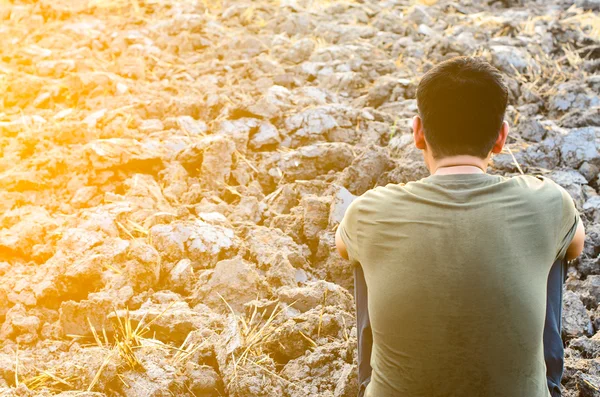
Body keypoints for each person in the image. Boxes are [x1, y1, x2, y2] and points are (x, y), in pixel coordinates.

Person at [335, 56, 585, 397]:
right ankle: (545, 386)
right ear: (501, 137)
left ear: (418, 133)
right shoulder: (548, 201)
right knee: (556, 244)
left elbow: (342, 248)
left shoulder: (369, 210)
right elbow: (576, 247)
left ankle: (370, 384)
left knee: (365, 252)